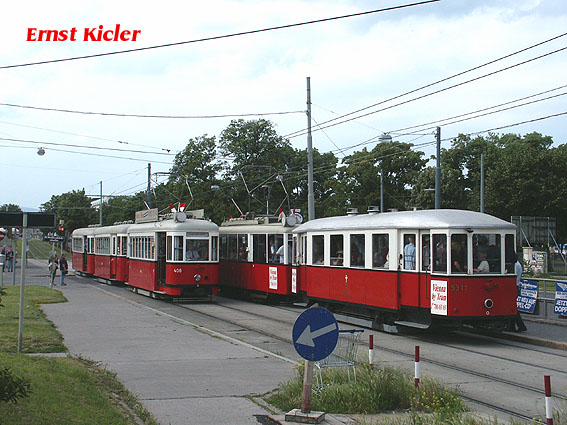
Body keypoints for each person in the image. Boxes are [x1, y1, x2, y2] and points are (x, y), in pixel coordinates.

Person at [509, 254, 528, 332]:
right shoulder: (518, 264)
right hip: (516, 286)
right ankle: (512, 326)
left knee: (512, 308)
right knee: (511, 307)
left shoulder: (515, 265)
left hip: (514, 287)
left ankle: (521, 325)